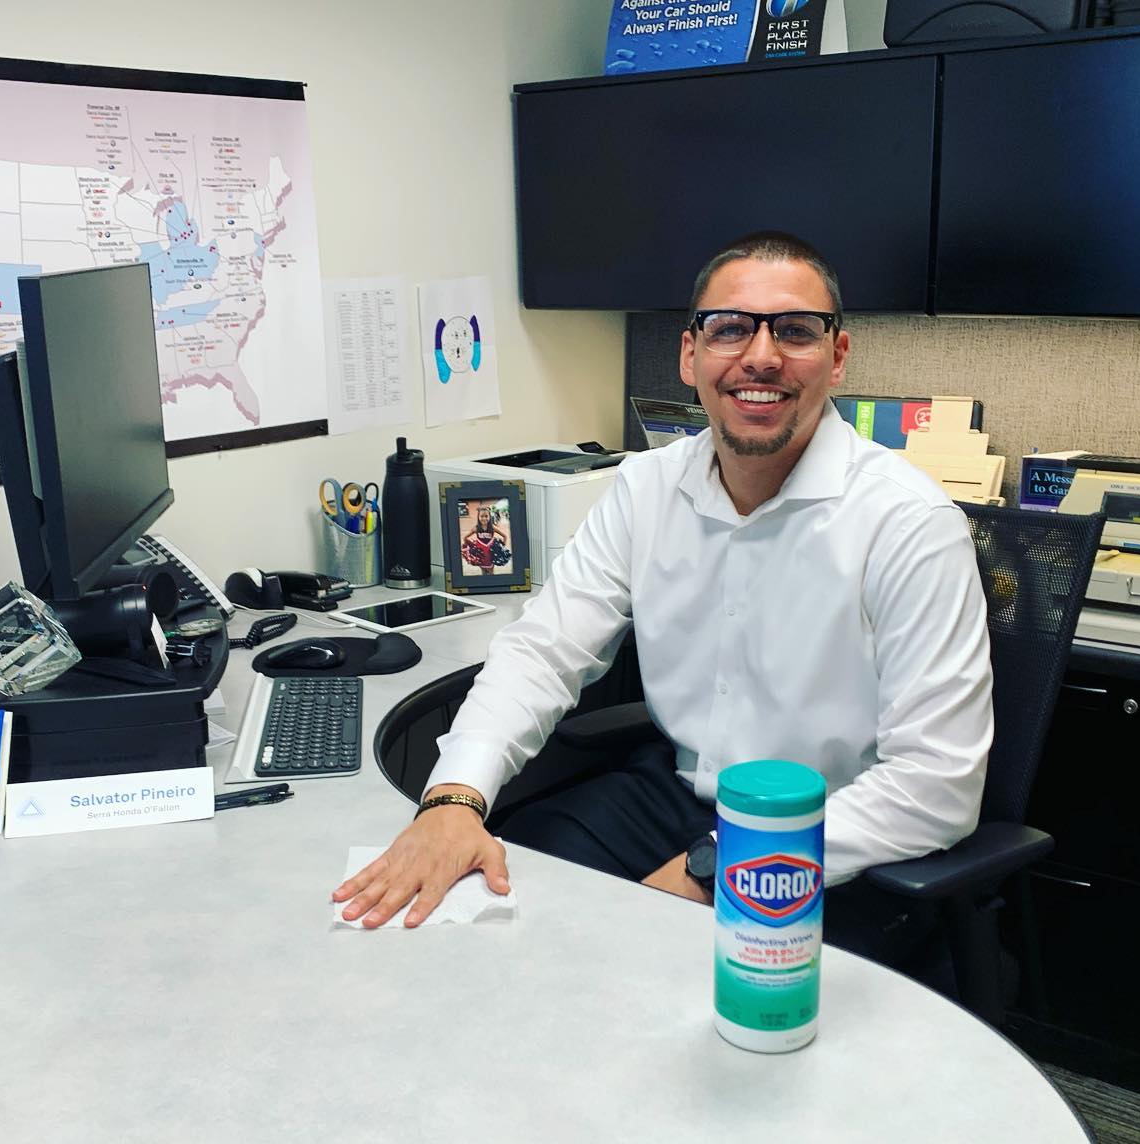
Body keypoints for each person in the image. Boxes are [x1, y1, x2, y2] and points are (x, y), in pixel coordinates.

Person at [333, 232, 993, 956]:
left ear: (836, 357)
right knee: (494, 924)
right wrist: (453, 800)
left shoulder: (908, 523)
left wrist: (715, 868)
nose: (761, 356)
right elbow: (543, 651)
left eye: (796, 330)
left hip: (838, 838)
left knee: (668, 991)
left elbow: (938, 783)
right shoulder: (645, 487)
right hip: (672, 798)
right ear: (690, 355)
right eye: (730, 328)